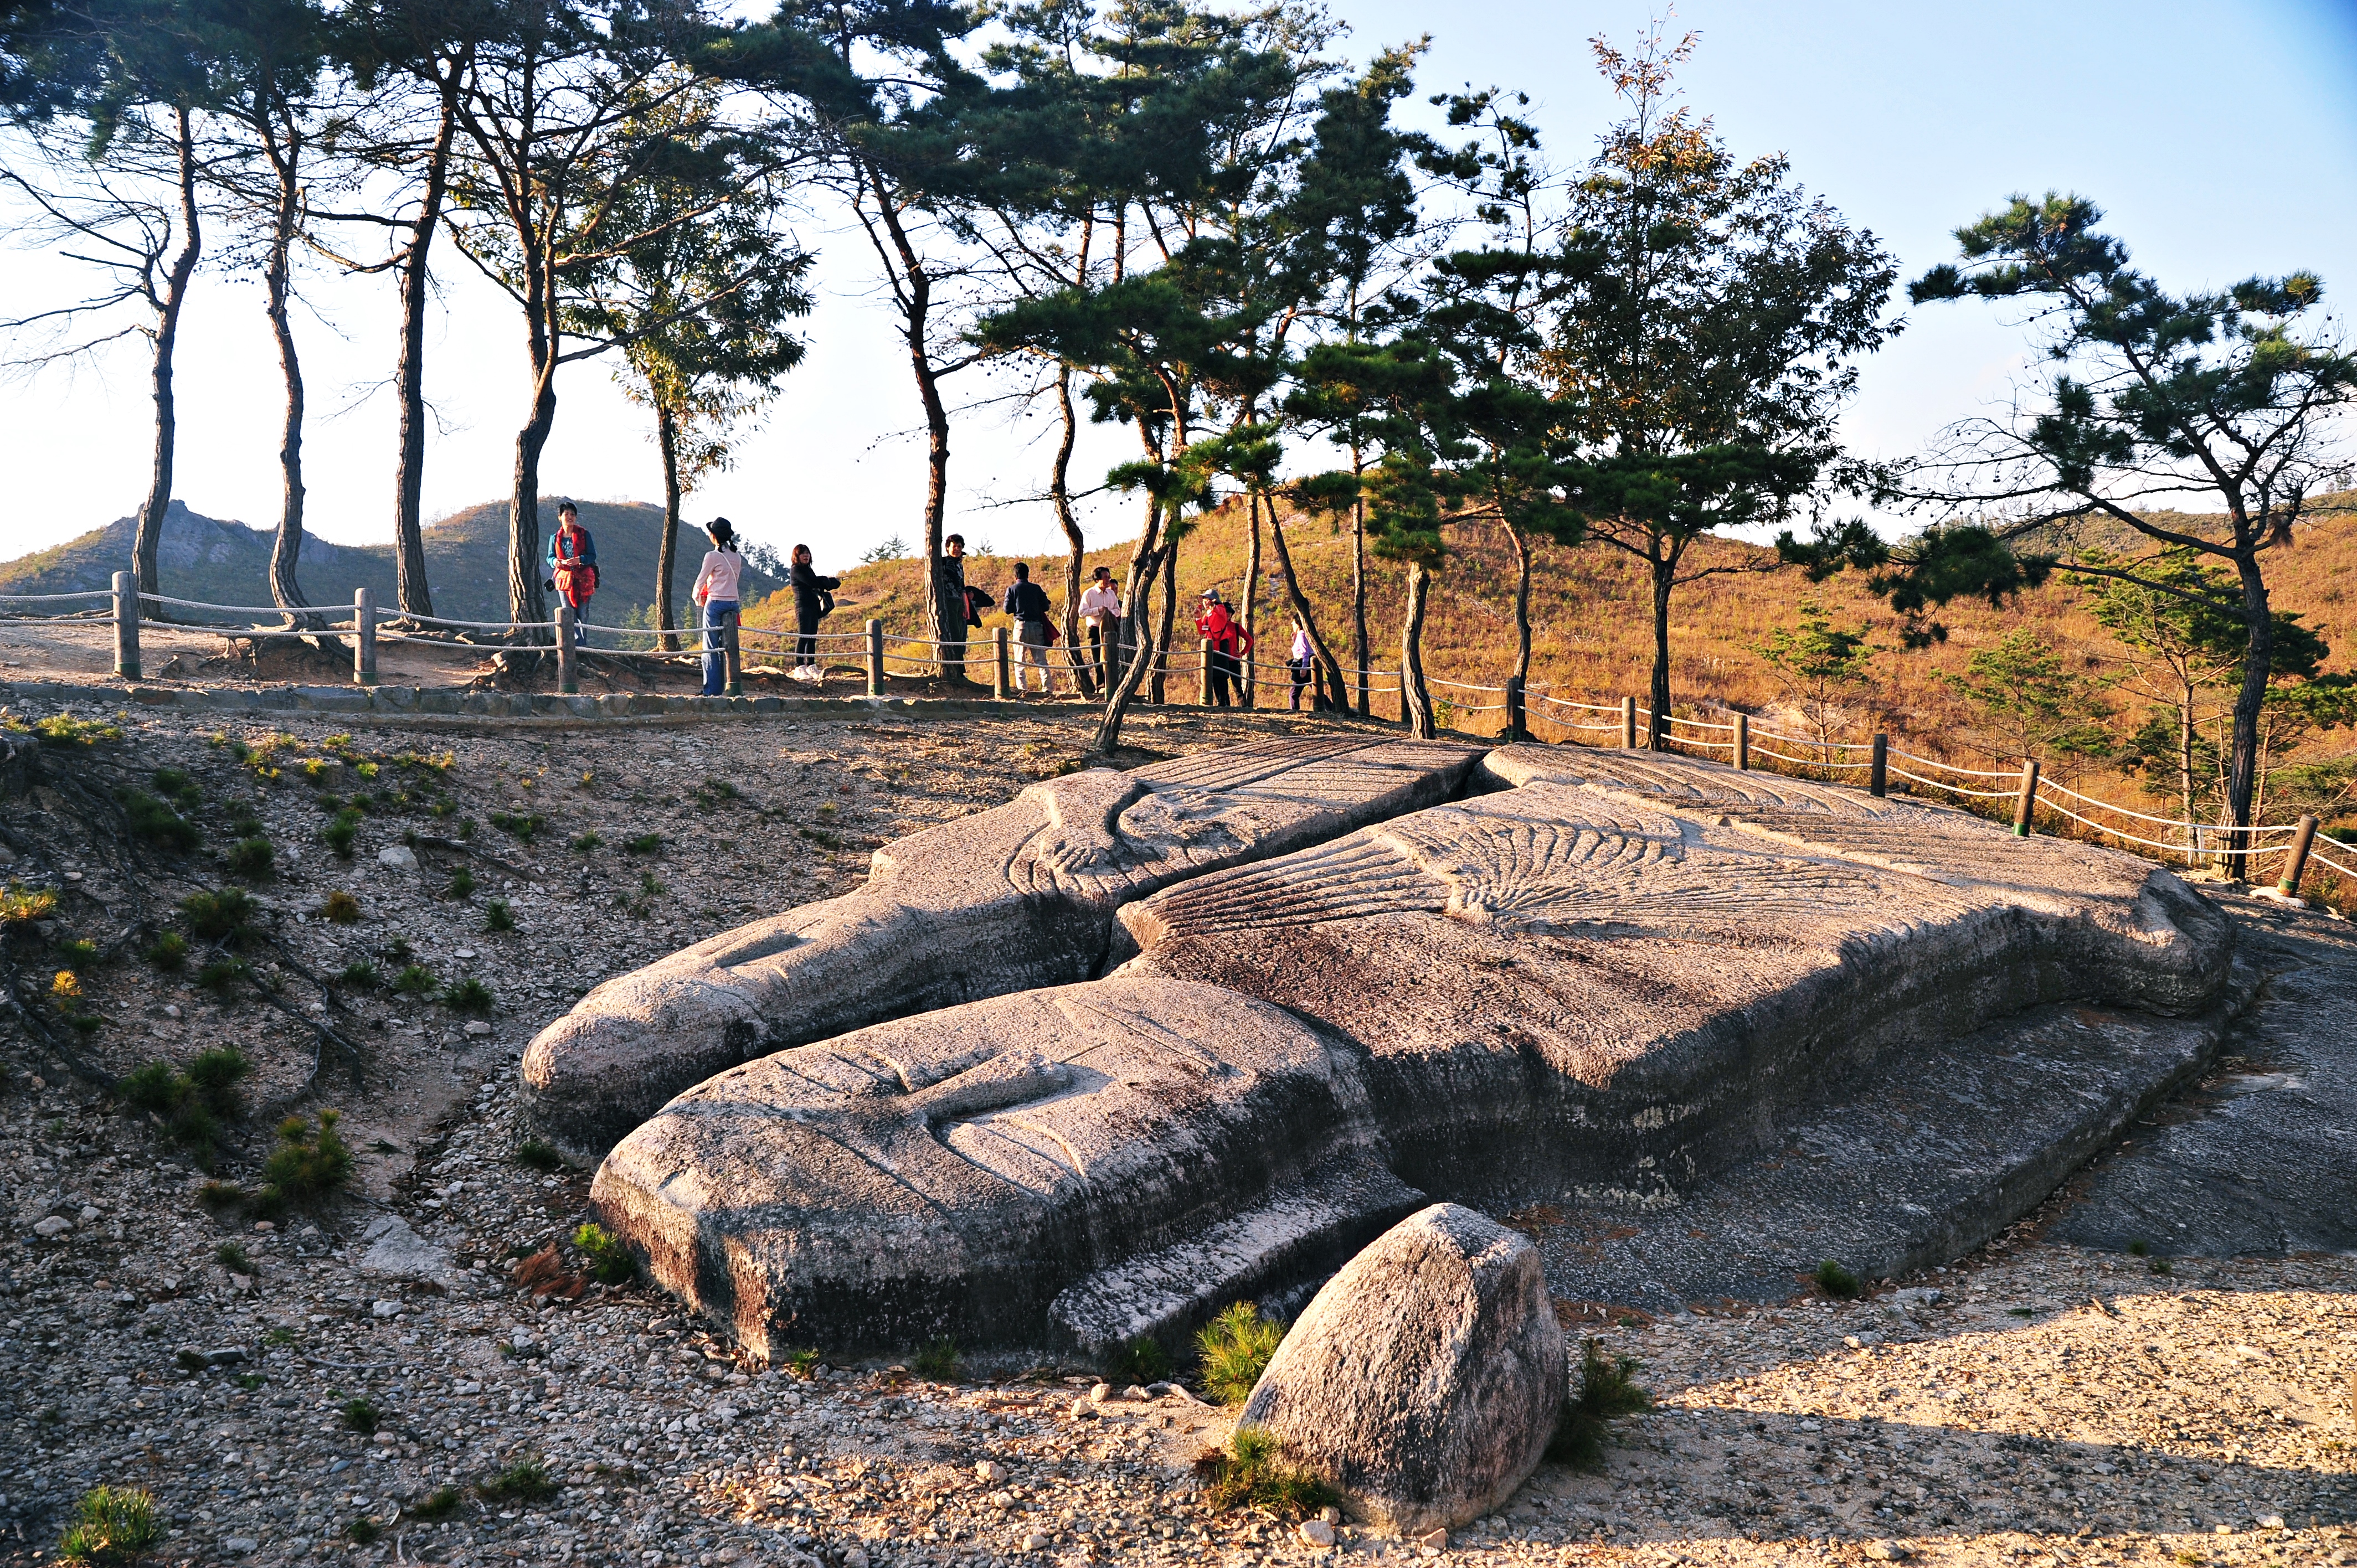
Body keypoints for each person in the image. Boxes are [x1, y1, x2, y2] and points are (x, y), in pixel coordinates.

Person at [691, 517, 746, 698]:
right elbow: (733, 581)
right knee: (727, 647)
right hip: (733, 603)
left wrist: (698, 599)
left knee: (711, 647)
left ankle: (712, 690)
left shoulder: (712, 556)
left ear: (714, 536)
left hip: (715, 603)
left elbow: (700, 583)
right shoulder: (737, 556)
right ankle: (726, 686)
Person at [788, 544, 840, 683]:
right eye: (803, 554)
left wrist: (829, 583)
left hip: (813, 606)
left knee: (812, 637)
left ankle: (811, 665)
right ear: (797, 556)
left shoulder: (808, 570)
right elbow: (812, 582)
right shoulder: (796, 570)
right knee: (803, 635)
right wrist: (826, 581)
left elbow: (816, 583)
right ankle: (799, 666)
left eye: (807, 553)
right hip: (802, 606)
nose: (806, 556)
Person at [1003, 561, 1055, 695]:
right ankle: (1048, 688)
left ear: (1015, 576)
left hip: (1021, 625)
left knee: (1019, 660)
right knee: (1041, 660)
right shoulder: (1036, 588)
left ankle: (1023, 689)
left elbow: (1007, 610)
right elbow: (1046, 607)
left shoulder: (1012, 589)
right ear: (1028, 574)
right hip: (1037, 626)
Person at [1195, 587, 1249, 709]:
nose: (1204, 601)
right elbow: (1201, 630)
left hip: (1221, 645)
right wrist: (1198, 618)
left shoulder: (1220, 609)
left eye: (1206, 599)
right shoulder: (1208, 614)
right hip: (1210, 647)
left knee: (1222, 675)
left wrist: (1213, 605)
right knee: (1213, 675)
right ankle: (1219, 699)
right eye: (1204, 599)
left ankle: (1224, 700)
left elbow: (1220, 612)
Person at [543, 501, 598, 612]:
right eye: (567, 514)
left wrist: (580, 560)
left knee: (582, 615)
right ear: (560, 517)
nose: (570, 517)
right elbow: (550, 557)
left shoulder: (584, 535)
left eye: (573, 514)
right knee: (567, 613)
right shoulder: (554, 538)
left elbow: (592, 556)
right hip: (564, 579)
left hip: (584, 579)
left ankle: (581, 630)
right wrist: (556, 562)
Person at [1077, 564, 1121, 690]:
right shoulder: (1089, 594)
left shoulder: (1111, 594)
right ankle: (1100, 687)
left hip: (1110, 631)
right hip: (1095, 630)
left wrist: (1109, 613)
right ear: (1097, 579)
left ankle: (1111, 687)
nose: (1108, 580)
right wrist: (1098, 610)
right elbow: (1082, 612)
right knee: (1098, 660)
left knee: (1111, 660)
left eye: (1109, 577)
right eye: (1105, 577)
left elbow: (1118, 611)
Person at [1288, 612, 1315, 711]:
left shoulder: (1302, 634)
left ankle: (1295, 712)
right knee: (1317, 692)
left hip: (1303, 666)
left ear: (1298, 624)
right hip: (1307, 665)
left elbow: (1305, 652)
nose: (1292, 623)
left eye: (1294, 622)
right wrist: (1294, 638)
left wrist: (1304, 668)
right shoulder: (1302, 635)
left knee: (1293, 694)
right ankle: (1331, 709)